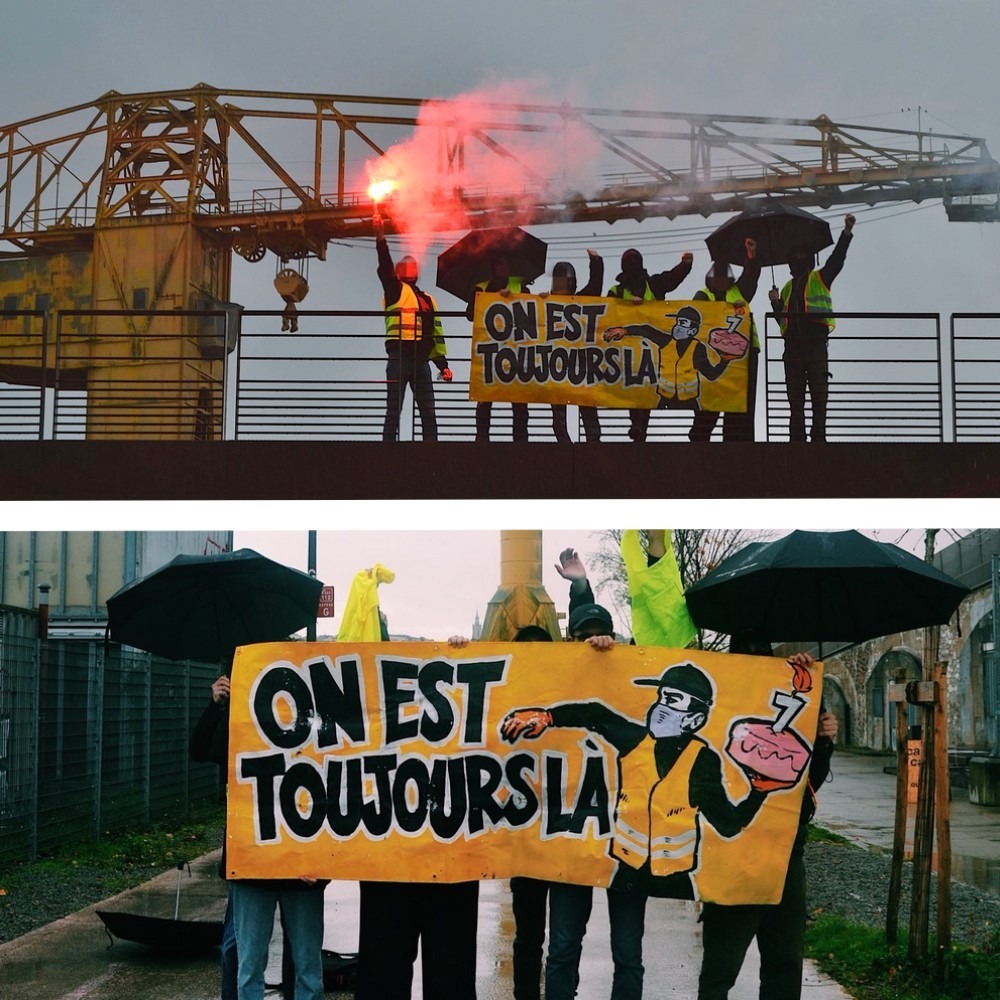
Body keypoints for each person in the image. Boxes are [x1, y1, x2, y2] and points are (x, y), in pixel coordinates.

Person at [503, 600, 647, 1000]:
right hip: (571, 838)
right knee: (563, 947)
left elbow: (600, 712)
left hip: (625, 841)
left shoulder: (627, 676)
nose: (590, 644)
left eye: (597, 634)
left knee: (627, 951)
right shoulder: (558, 681)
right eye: (582, 637)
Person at [697, 633, 838, 1000]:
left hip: (785, 859)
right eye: (750, 654)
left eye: (764, 653)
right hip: (732, 860)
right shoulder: (718, 710)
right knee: (720, 970)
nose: (758, 659)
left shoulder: (789, 700)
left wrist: (821, 737)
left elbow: (810, 783)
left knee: (783, 967)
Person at [355, 627, 479, 1000]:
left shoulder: (461, 723)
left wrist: (467, 657)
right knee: (385, 974)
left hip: (448, 864)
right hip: (389, 868)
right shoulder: (371, 721)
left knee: (449, 975)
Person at [191, 671, 325, 1000]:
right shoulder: (237, 720)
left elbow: (334, 782)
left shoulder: (314, 725)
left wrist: (324, 862)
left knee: (306, 966)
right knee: (249, 966)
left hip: (300, 863)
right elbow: (199, 750)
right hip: (252, 863)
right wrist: (218, 706)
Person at [769, 213, 855, 443]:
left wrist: (846, 233)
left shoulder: (820, 278)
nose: (798, 258)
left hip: (815, 346)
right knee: (795, 399)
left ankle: (818, 440)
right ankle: (797, 440)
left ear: (808, 259)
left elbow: (837, 260)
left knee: (819, 396)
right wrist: (775, 302)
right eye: (794, 255)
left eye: (801, 255)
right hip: (793, 349)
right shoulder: (786, 288)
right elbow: (783, 321)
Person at [375, 214, 453, 442]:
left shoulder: (428, 299)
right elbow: (384, 263)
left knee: (427, 412)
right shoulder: (394, 289)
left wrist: (443, 365)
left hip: (420, 360)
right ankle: (389, 449)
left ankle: (430, 450)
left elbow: (435, 333)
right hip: (400, 356)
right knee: (395, 411)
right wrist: (380, 237)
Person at [606, 247, 694, 442]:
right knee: (635, 386)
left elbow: (673, 278)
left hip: (652, 349)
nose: (632, 266)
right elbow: (606, 313)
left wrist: (686, 264)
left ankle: (639, 428)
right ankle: (638, 427)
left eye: (634, 261)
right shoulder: (616, 291)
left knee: (646, 386)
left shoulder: (653, 284)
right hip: (626, 351)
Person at [690, 237, 761, 441]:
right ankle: (699, 437)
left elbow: (751, 274)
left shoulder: (738, 291)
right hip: (712, 356)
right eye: (717, 275)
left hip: (744, 356)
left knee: (740, 400)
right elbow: (696, 318)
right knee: (710, 398)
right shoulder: (702, 295)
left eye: (724, 276)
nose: (720, 279)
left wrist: (751, 255)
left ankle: (737, 441)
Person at [539, 250, 605, 442]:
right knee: (559, 418)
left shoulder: (582, 300)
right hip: (557, 366)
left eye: (565, 281)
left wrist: (596, 261)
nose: (562, 285)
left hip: (580, 367)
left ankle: (592, 444)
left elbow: (595, 285)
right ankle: (566, 447)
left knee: (588, 413)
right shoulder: (544, 303)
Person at [466, 253, 528, 441]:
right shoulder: (482, 288)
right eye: (500, 263)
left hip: (515, 351)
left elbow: (533, 311)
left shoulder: (520, 287)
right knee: (485, 398)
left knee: (519, 401)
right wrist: (494, 297)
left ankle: (520, 441)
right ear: (494, 267)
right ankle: (482, 438)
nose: (503, 267)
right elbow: (470, 314)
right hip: (490, 351)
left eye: (506, 263)